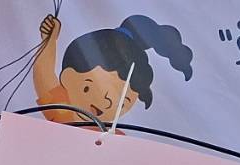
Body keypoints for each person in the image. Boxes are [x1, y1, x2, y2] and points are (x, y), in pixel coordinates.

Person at [32, 13, 194, 126]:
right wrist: (50, 41)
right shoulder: (62, 112)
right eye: (87, 88)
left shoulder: (116, 139)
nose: (106, 103)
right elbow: (43, 73)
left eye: (122, 103)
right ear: (67, 77)